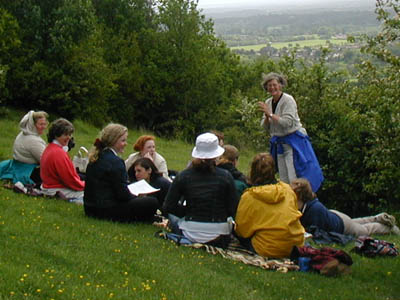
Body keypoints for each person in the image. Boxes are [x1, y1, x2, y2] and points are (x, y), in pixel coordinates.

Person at [162, 132, 239, 248]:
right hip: (218, 235)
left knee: (173, 219)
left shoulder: (183, 176)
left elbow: (168, 206)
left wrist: (187, 212)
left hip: (189, 232)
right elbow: (233, 208)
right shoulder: (226, 176)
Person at [258, 72, 323, 192]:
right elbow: (265, 126)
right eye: (269, 86)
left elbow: (287, 123)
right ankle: (286, 202)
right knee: (283, 178)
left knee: (294, 175)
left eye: (274, 85)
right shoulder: (268, 102)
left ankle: (297, 201)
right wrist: (267, 117)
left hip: (293, 142)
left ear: (280, 85)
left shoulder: (288, 100)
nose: (272, 88)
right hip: (279, 143)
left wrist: (270, 114)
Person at [83, 124, 159, 222]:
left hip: (90, 208)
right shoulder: (116, 161)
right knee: (152, 202)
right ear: (114, 141)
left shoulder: (96, 157)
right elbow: (122, 195)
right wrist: (137, 195)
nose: (125, 143)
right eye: (123, 140)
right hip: (105, 210)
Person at [235, 153, 305, 258]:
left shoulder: (250, 196)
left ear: (252, 171)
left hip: (267, 248)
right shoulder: (287, 189)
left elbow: (242, 231)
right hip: (294, 246)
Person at [290, 178, 400, 237]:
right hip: (336, 217)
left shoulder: (314, 211)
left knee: (365, 230)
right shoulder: (306, 206)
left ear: (299, 197)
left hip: (342, 226)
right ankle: (378, 218)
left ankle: (389, 228)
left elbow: (316, 232)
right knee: (357, 222)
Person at [40, 118, 85, 201]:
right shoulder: (58, 153)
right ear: (56, 135)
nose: (68, 138)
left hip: (48, 188)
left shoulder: (50, 148)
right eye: (65, 135)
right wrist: (85, 185)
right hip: (56, 190)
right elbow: (70, 180)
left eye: (70, 134)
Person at [0, 110, 48, 185]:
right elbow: (46, 161)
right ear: (33, 125)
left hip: (18, 167)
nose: (44, 127)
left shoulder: (22, 134)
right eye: (41, 124)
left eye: (45, 124)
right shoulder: (33, 141)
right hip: (28, 171)